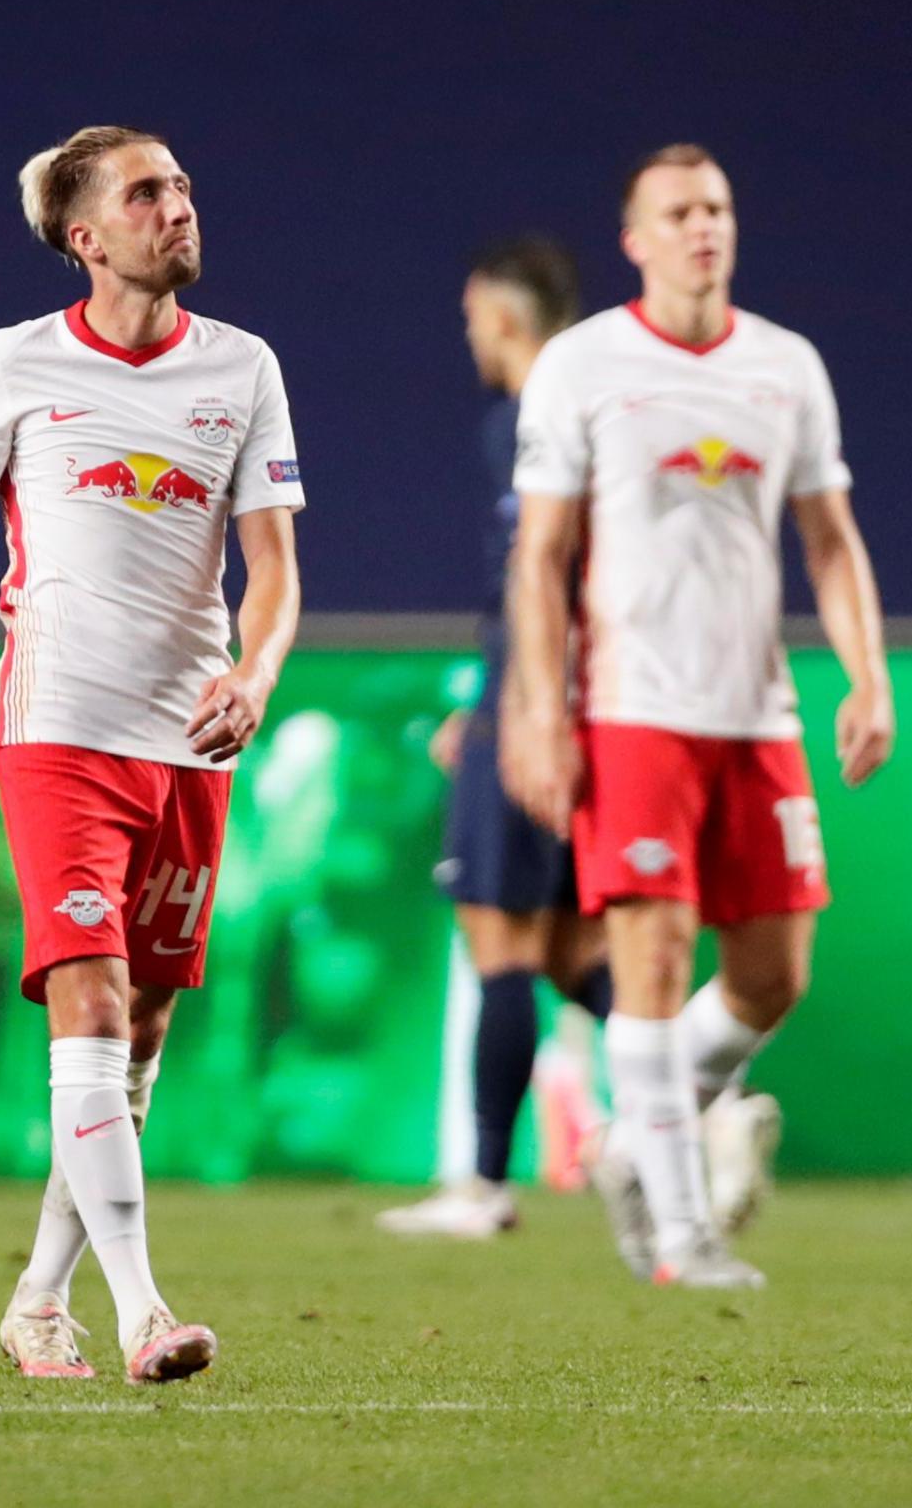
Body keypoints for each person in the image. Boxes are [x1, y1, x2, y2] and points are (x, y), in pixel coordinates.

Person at [0, 125, 304, 1383]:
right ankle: (145, 1308)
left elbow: (274, 574)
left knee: (137, 1032)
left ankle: (40, 1299)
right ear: (86, 236)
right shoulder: (8, 367)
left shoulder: (244, 368)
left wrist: (251, 676)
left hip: (190, 745)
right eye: (148, 191)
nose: (180, 205)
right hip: (57, 729)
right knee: (89, 1001)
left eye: (184, 186)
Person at [505, 144, 892, 1289]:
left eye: (716, 207)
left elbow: (828, 535)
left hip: (756, 715)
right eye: (676, 212)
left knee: (774, 973)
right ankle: (678, 1236)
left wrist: (866, 674)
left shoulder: (785, 366)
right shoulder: (582, 366)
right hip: (630, 710)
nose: (701, 228)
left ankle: (633, 1140)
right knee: (653, 956)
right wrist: (540, 708)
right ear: (635, 238)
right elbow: (540, 556)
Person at [378, 237, 612, 1240]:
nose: (468, 332)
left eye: (473, 314)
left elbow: (546, 579)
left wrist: (512, 708)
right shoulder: (595, 401)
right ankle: (712, 1100)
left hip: (542, 707)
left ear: (501, 313)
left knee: (501, 938)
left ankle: (480, 1184)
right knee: (572, 949)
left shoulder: (535, 417)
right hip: (580, 702)